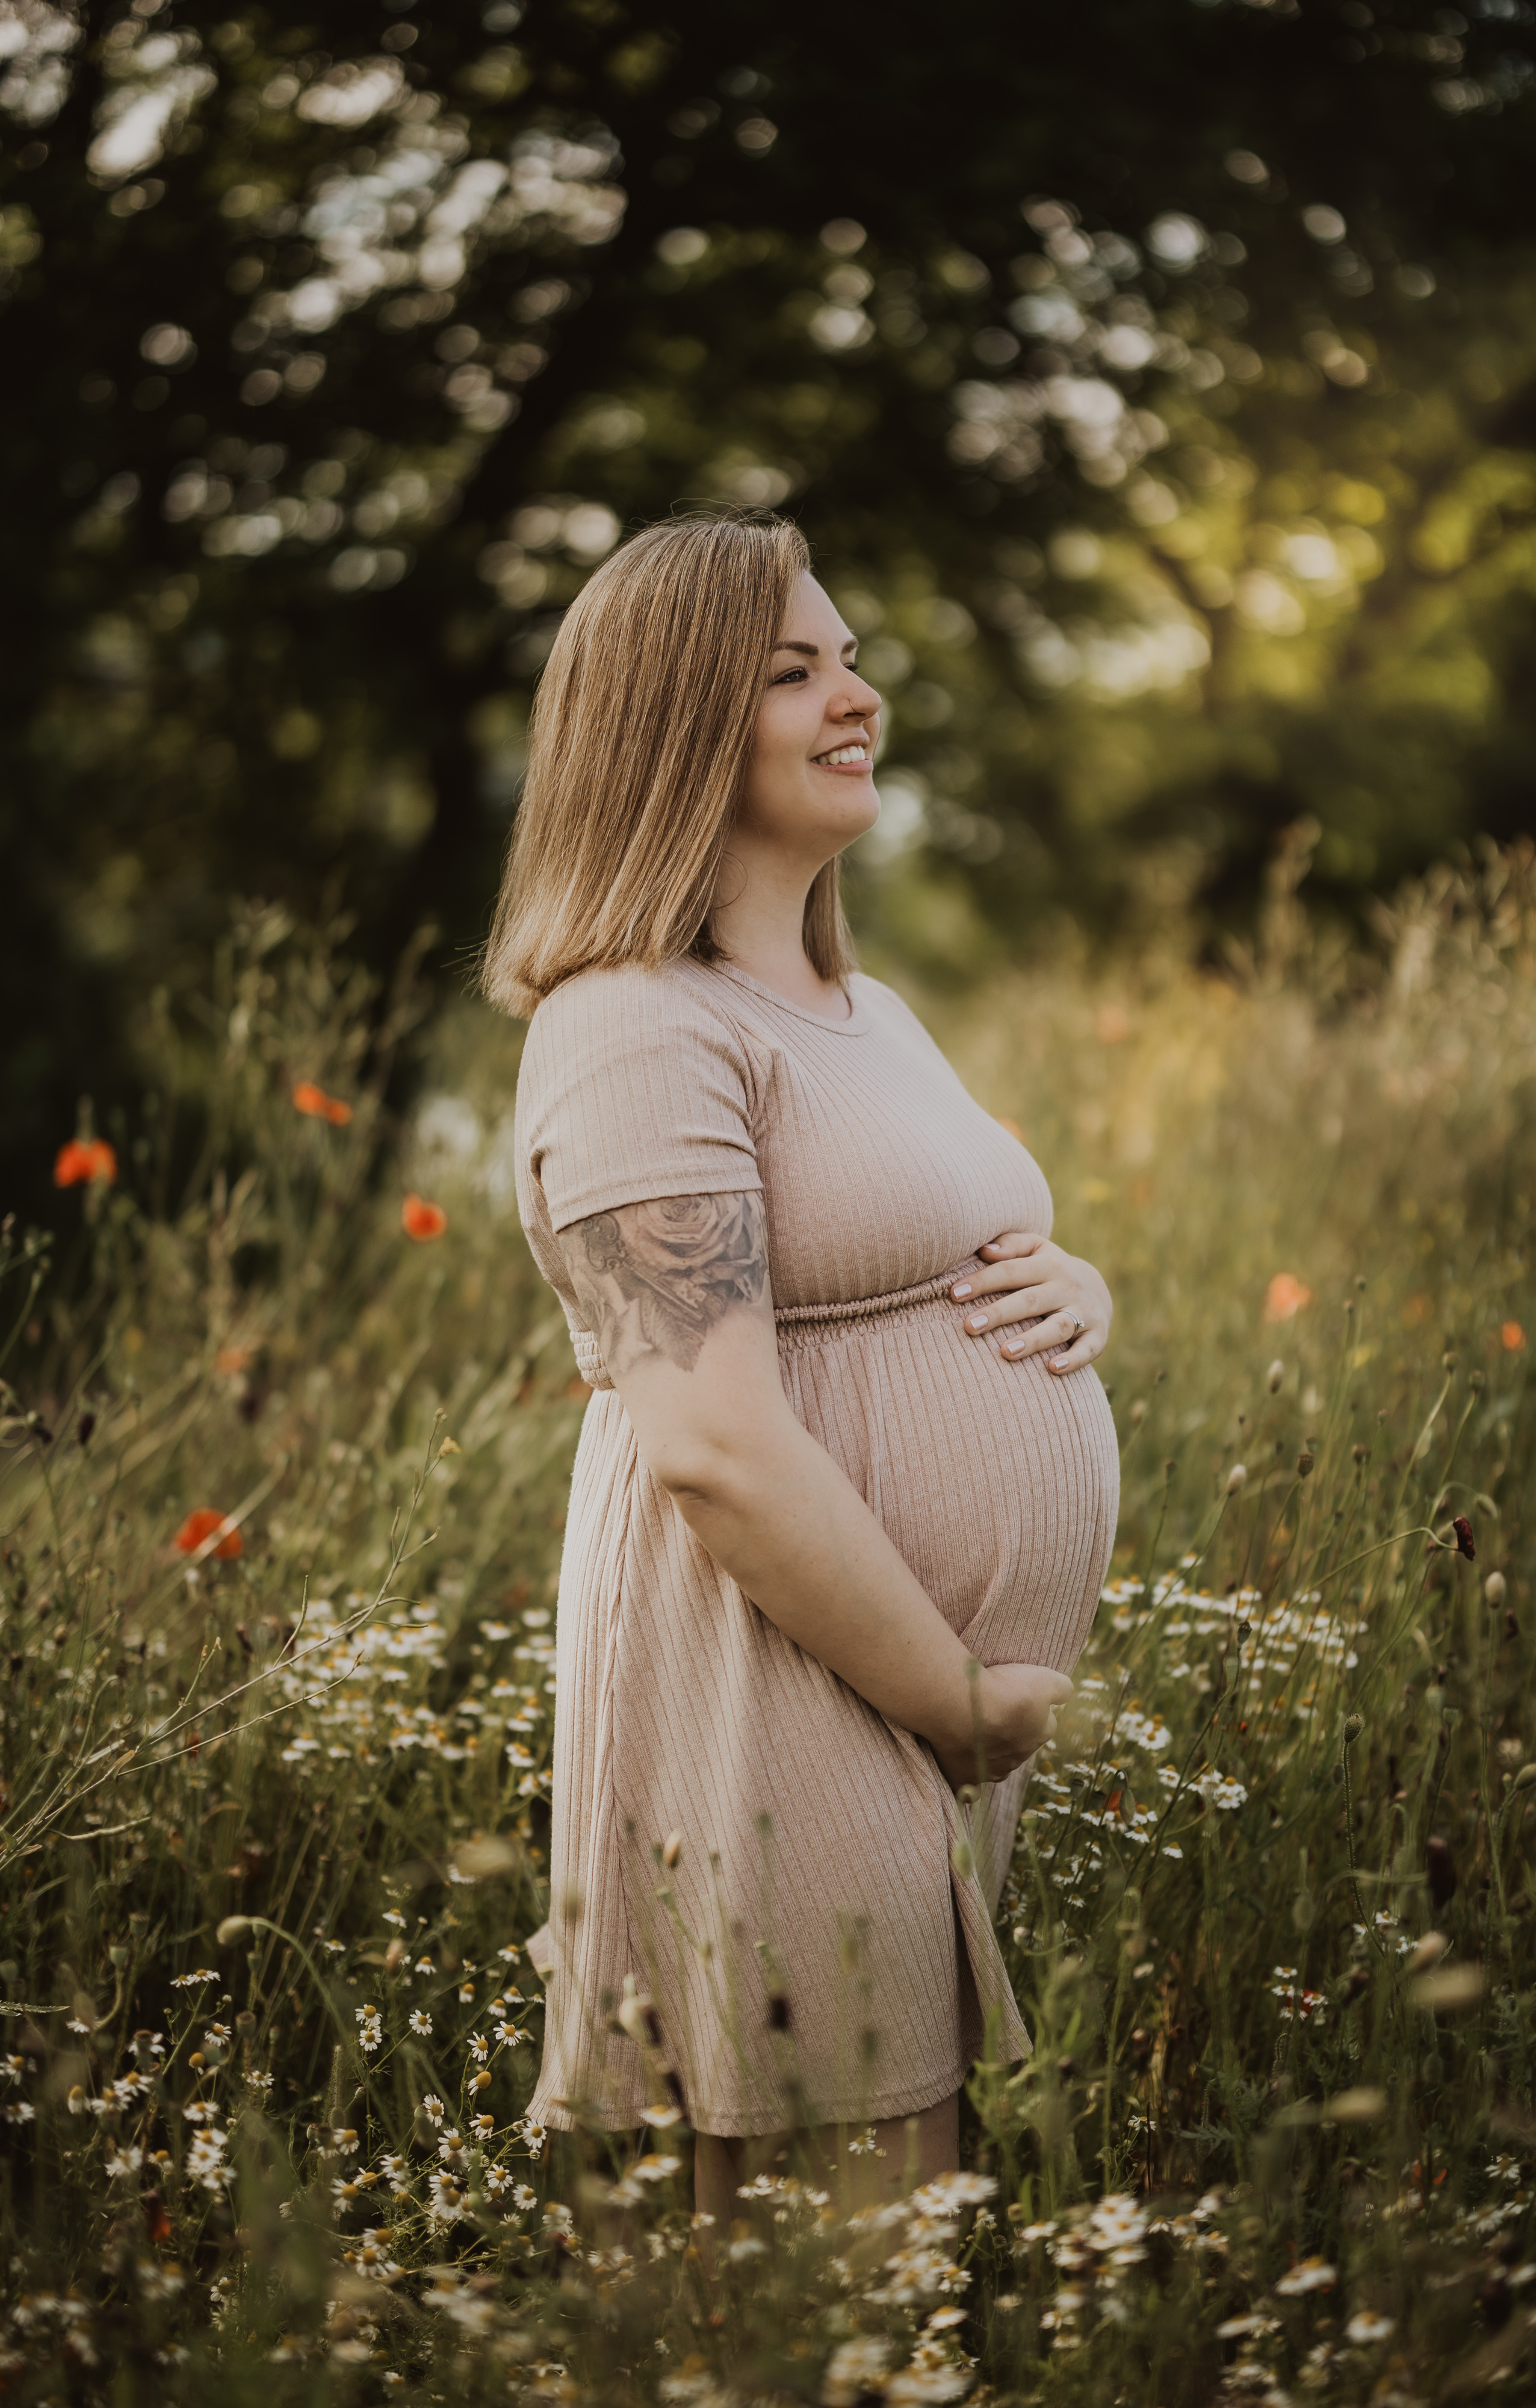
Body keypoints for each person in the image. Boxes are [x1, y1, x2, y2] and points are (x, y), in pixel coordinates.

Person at [483, 514, 1117, 2217]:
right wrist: (956, 1705)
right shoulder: (627, 1023)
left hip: (902, 1693)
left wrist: (1074, 1295)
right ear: (674, 722)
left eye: (847, 657)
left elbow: (941, 1245)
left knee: (893, 2222)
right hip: (786, 1679)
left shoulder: (864, 1007)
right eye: (792, 671)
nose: (857, 694)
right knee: (836, 2251)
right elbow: (708, 1440)